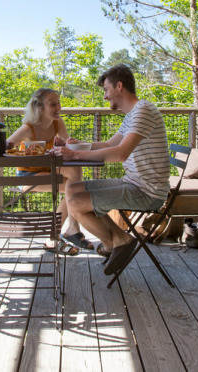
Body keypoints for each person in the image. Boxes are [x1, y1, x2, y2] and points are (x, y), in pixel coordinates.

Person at [51, 64, 170, 275]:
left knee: (76, 203)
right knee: (73, 189)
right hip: (133, 183)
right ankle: (118, 240)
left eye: (106, 90)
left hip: (147, 192)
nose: (105, 97)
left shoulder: (143, 111)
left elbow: (120, 153)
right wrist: (73, 146)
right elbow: (108, 144)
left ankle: (113, 244)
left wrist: (76, 155)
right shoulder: (133, 114)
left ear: (119, 86)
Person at [6, 88, 92, 256]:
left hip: (48, 170)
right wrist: (17, 149)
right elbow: (6, 145)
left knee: (75, 180)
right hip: (28, 177)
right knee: (75, 188)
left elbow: (68, 146)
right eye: (53, 104)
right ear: (40, 108)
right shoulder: (27, 128)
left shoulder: (58, 124)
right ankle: (68, 231)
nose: (58, 107)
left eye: (59, 103)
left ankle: (62, 232)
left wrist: (62, 145)